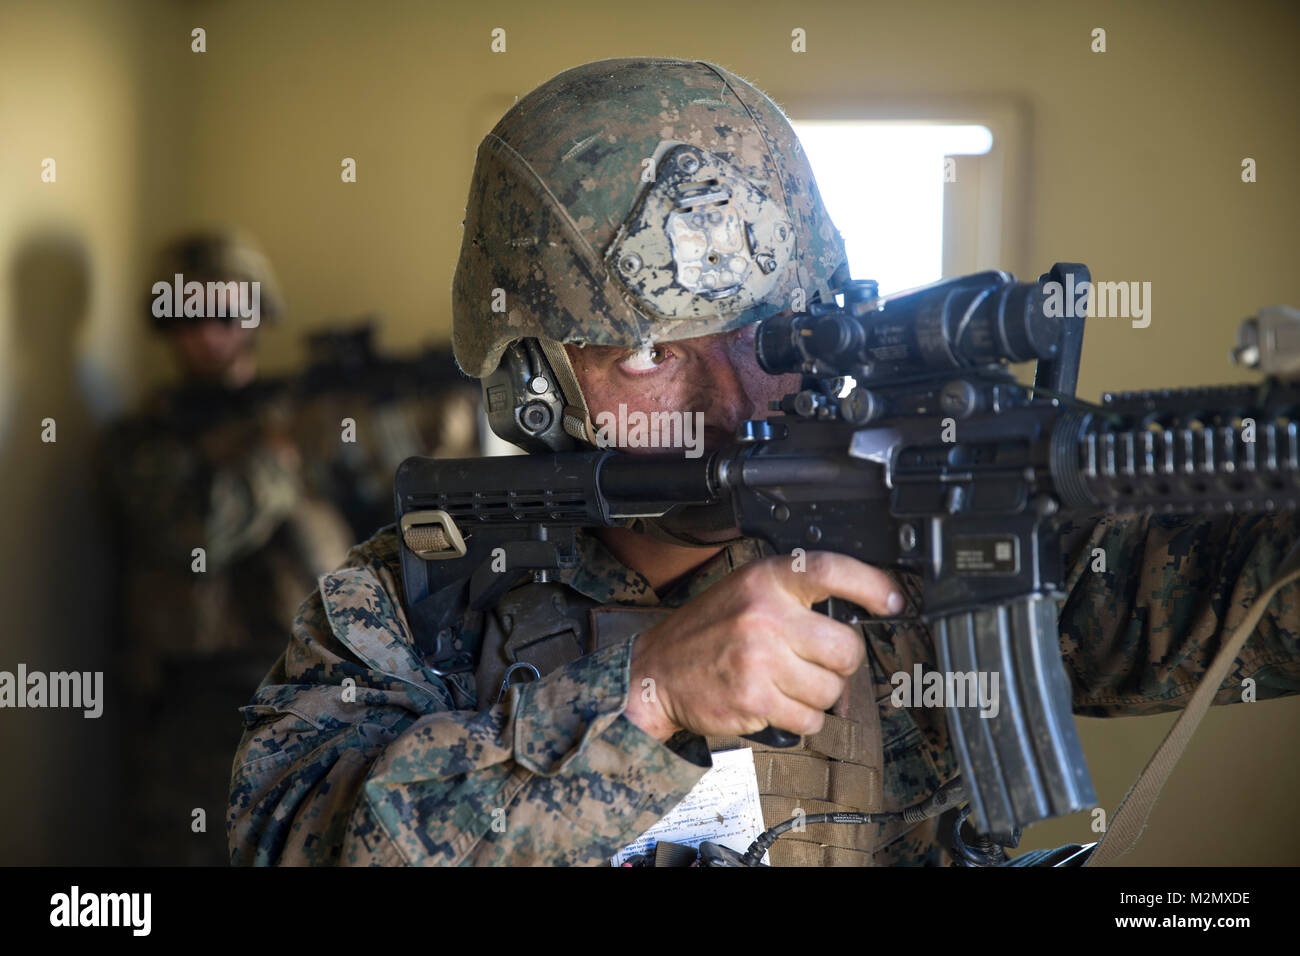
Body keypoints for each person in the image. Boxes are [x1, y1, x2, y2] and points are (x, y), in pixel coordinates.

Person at [226, 58, 1300, 866]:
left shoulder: (928, 519)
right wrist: (640, 696)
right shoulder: (419, 590)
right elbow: (289, 841)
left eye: (772, 332)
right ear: (535, 381)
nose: (735, 398)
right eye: (648, 353)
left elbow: (1240, 596)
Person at [103, 231, 355, 865]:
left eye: (224, 311)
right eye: (187, 314)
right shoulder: (145, 438)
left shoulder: (305, 415)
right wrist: (272, 462)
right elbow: (194, 536)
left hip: (312, 686)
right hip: (200, 700)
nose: (207, 331)